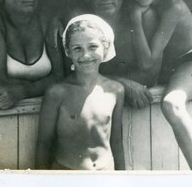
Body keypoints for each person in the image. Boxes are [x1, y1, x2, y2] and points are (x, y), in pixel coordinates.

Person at [123, 0, 192, 170]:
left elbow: (147, 62)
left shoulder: (173, 6)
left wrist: (134, 17)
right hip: (161, 67)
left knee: (172, 103)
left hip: (190, 62)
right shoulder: (139, 3)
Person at [36, 14, 125, 170]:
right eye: (77, 48)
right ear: (68, 52)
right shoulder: (57, 93)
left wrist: (123, 178)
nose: (85, 55)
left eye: (92, 46)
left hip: (106, 174)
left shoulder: (115, 90)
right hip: (67, 175)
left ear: (105, 47)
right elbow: (44, 144)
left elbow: (116, 142)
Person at [78, 0, 156, 109]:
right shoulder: (83, 25)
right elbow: (74, 74)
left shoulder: (143, 17)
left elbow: (151, 75)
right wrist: (122, 83)